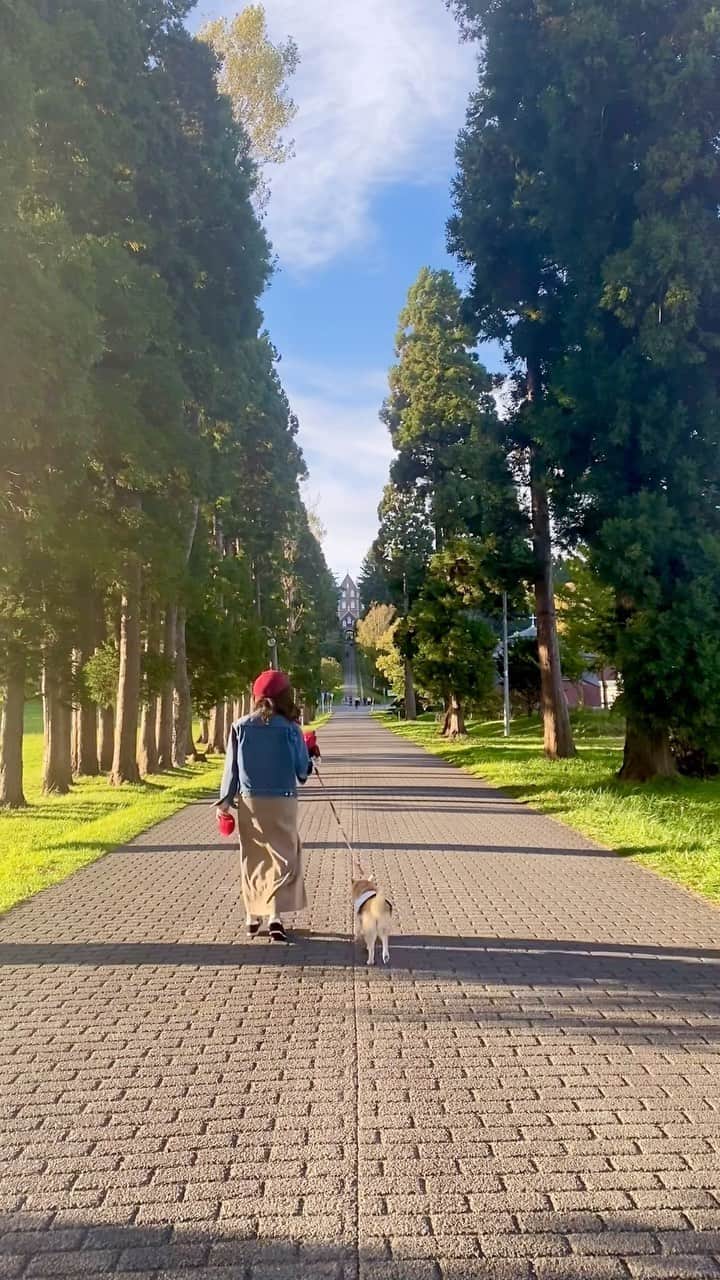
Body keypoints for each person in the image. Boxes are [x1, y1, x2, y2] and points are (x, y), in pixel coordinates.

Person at [217, 670, 311, 943]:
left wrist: (224, 802)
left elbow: (231, 770)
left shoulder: (239, 726)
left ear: (256, 697)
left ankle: (251, 917)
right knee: (283, 857)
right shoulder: (292, 729)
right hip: (283, 800)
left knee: (254, 857)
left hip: (250, 802)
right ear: (285, 697)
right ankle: (274, 917)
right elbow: (302, 771)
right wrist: (311, 754)